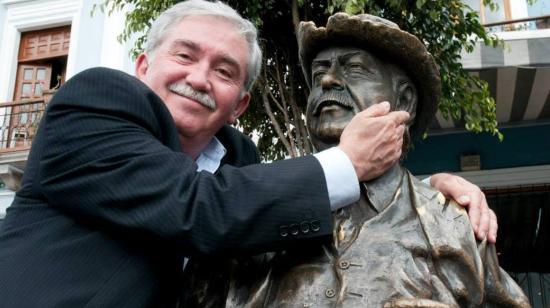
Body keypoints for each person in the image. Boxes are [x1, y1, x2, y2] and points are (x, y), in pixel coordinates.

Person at [0, 1, 495, 307]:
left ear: (239, 103)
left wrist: (423, 192)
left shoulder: (237, 165)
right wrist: (350, 164)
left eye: (224, 70)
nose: (198, 78)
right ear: (143, 64)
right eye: (185, 55)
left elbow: (263, 199)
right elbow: (202, 208)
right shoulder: (97, 102)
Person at [181, 13, 529, 307]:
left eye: (356, 69)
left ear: (403, 101)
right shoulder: (254, 214)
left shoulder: (451, 225)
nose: (328, 81)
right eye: (318, 75)